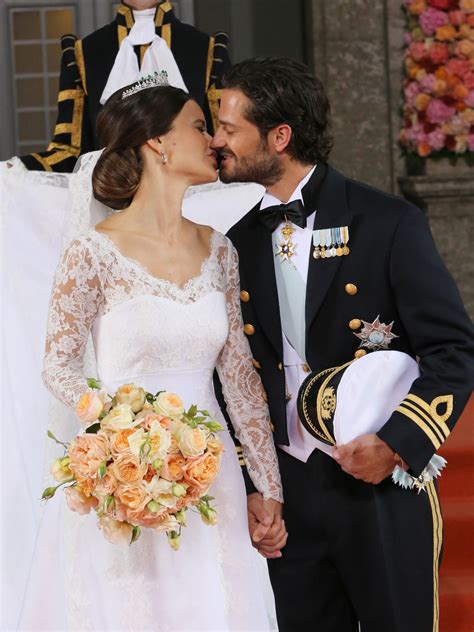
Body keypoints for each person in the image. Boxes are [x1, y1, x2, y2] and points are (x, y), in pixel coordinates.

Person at [210, 57, 474, 632]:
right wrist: (256, 484)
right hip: (290, 493)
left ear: (279, 137)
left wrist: (397, 444)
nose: (216, 141)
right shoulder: (235, 243)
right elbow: (234, 379)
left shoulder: (387, 222)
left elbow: (454, 351)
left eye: (229, 128)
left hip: (379, 481)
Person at [19, 77, 282, 631]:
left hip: (209, 473)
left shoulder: (220, 250)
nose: (213, 140)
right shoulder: (92, 252)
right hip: (125, 475)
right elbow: (58, 365)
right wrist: (122, 429)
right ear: (158, 142)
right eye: (199, 126)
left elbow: (239, 380)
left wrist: (268, 488)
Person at [18, 0, 229, 172]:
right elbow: (69, 150)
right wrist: (17, 168)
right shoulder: (83, 53)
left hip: (191, 195)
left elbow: (222, 140)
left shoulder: (207, 49)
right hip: (112, 196)